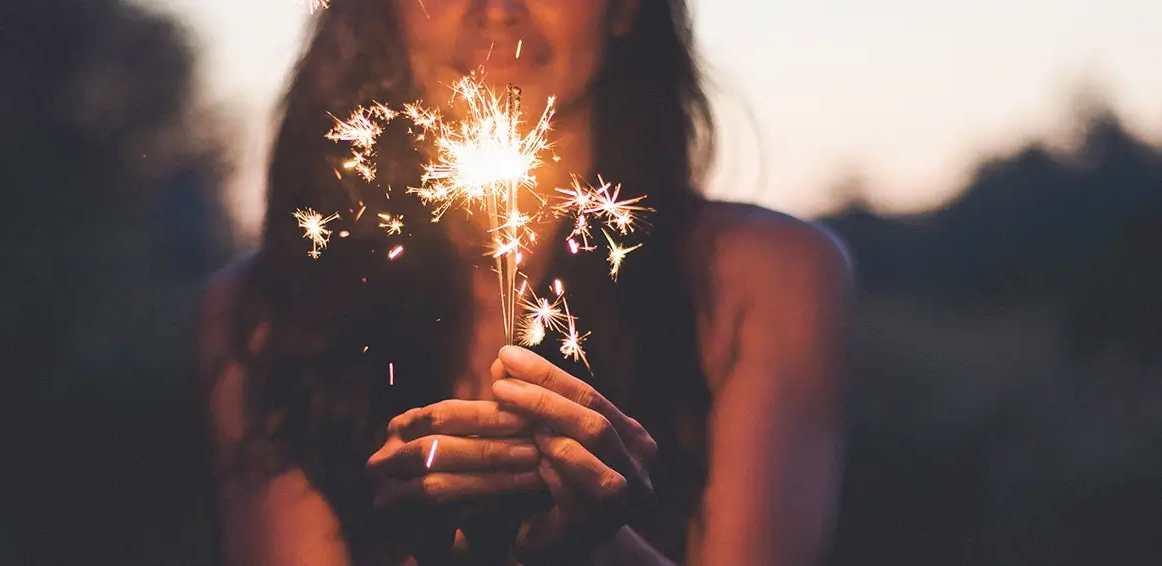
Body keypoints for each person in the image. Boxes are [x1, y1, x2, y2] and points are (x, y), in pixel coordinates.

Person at [201, 0, 851, 564]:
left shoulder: (763, 279)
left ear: (625, 7)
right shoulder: (268, 314)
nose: (498, 9)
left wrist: (594, 548)